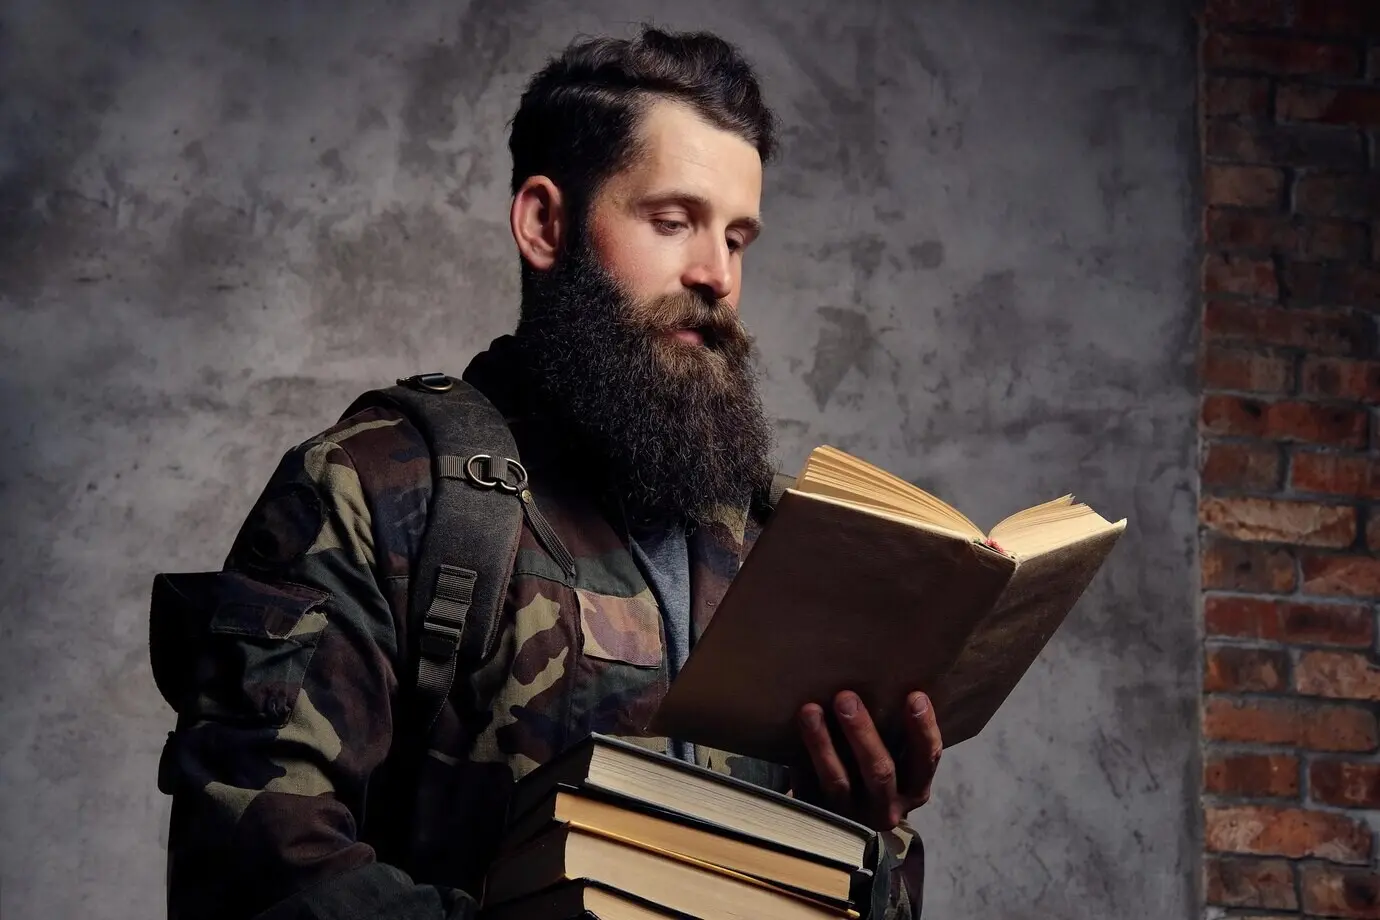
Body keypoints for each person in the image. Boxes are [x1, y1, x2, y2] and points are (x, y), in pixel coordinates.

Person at [155, 26, 941, 920]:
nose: (716, 275)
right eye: (673, 220)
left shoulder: (771, 546)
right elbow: (252, 869)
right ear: (545, 223)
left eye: (738, 237)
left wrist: (866, 842)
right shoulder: (377, 494)